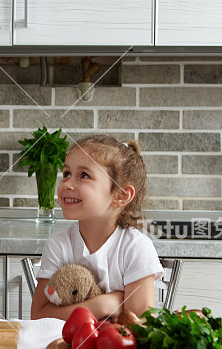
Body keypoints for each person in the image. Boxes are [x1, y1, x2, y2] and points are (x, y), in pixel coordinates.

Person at [31, 134, 162, 320]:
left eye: (84, 175)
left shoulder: (135, 248)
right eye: (67, 173)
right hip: (63, 348)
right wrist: (103, 305)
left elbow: (138, 325)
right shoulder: (58, 245)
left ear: (121, 195)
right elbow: (38, 316)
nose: (67, 184)